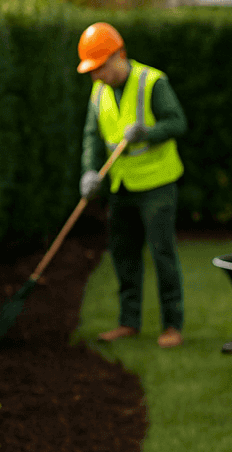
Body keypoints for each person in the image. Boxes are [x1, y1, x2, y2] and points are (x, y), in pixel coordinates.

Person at [77, 22, 188, 348]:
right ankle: (129, 322)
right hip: (121, 186)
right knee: (123, 255)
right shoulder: (98, 92)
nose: (96, 76)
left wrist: (148, 133)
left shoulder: (152, 82)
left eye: (99, 68)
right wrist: (89, 172)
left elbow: (178, 122)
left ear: (117, 56)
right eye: (92, 71)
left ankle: (172, 326)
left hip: (157, 184)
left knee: (162, 254)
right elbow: (91, 137)